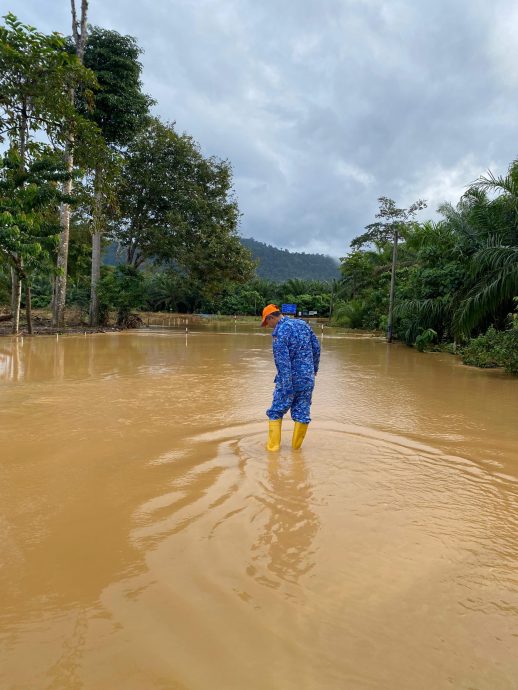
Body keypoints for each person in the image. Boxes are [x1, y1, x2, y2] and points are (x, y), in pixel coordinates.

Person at [261, 304, 321, 451]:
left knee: (276, 411)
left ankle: (272, 450)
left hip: (289, 380)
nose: (268, 326)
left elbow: (283, 362)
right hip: (307, 379)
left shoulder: (280, 332)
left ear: (271, 317)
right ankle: (296, 451)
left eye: (267, 322)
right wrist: (314, 369)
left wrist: (287, 387)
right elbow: (317, 347)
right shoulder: (302, 324)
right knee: (302, 414)